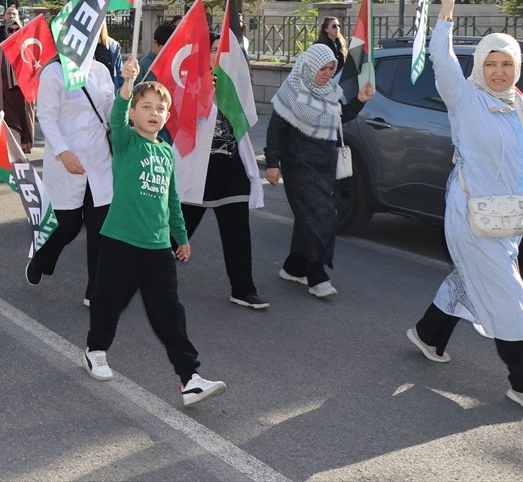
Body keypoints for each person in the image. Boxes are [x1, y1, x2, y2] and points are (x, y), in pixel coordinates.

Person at [405, 0, 523, 412]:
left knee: (469, 280)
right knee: (508, 294)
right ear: (479, 65)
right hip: (470, 214)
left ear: (518, 66)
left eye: (506, 63)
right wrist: (447, 12)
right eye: (490, 63)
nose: (498, 71)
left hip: (508, 221)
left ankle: (428, 333)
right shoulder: (466, 98)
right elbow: (442, 62)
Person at [83, 54, 227, 407]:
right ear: (134, 114)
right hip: (121, 241)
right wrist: (126, 85)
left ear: (166, 116)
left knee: (169, 314)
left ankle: (190, 377)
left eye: (160, 108)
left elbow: (172, 198)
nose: (153, 113)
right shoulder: (127, 141)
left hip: (158, 246)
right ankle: (96, 350)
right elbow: (116, 118)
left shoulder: (165, 152)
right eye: (145, 107)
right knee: (108, 302)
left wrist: (181, 237)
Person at [265, 43, 374, 297]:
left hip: (325, 166)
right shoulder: (291, 93)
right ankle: (317, 274)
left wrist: (360, 100)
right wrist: (272, 164)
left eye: (330, 68)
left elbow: (339, 118)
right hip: (299, 166)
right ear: (308, 67)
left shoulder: (330, 93)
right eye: (321, 69)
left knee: (309, 218)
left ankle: (294, 267)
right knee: (321, 216)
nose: (326, 74)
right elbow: (275, 130)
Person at [178, 32, 267, 309]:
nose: (219, 55)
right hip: (197, 175)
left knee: (238, 233)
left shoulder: (237, 88)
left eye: (225, 52)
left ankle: (243, 289)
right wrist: (204, 92)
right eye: (215, 50)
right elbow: (179, 121)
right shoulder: (190, 84)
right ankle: (143, 277)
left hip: (231, 172)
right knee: (175, 234)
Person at [25, 50, 115, 306]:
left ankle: (95, 290)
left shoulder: (101, 71)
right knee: (68, 225)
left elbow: (109, 114)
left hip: (99, 161)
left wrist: (127, 94)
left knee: (100, 227)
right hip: (66, 160)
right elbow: (47, 117)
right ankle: (41, 259)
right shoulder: (54, 72)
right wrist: (63, 152)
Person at [0, 16, 36, 153]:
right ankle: (14, 165)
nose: (14, 32)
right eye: (10, 30)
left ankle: (18, 166)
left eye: (17, 29)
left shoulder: (27, 50)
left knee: (22, 135)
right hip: (5, 98)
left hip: (22, 99)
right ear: (6, 32)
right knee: (11, 131)